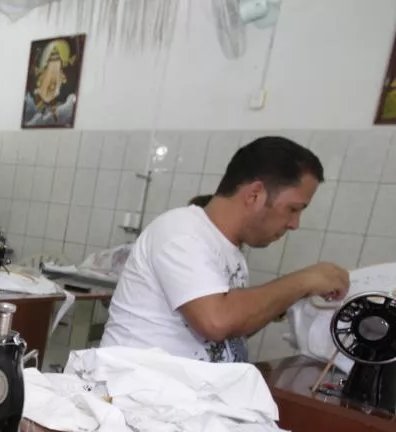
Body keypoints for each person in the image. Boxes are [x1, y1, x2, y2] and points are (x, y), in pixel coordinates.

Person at [102, 136, 349, 363]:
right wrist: (303, 281)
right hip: (139, 398)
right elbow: (216, 322)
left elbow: (232, 330)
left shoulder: (230, 253)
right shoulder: (182, 230)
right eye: (293, 209)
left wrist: (288, 299)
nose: (294, 224)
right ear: (255, 194)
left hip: (184, 398)